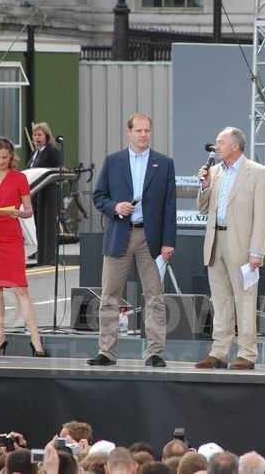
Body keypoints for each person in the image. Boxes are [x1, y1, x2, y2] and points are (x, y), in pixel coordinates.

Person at [87, 113, 176, 368]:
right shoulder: (113, 162)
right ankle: (107, 351)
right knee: (109, 296)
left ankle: (154, 352)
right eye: (138, 130)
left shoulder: (164, 163)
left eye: (147, 130)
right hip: (120, 234)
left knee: (155, 297)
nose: (143, 135)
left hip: (151, 238)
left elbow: (170, 205)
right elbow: (98, 197)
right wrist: (116, 207)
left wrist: (168, 242)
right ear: (129, 132)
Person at [195, 126, 265, 370]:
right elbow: (203, 208)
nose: (216, 146)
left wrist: (257, 252)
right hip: (216, 241)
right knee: (220, 301)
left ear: (235, 146)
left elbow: (263, 216)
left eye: (221, 142)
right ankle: (218, 352)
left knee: (245, 300)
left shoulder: (258, 173)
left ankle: (247, 354)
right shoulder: (215, 172)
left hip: (242, 245)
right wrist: (205, 186)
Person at [0, 137, 48, 357]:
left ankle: (36, 340)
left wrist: (18, 213)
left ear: (11, 157)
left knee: (19, 288)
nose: (2, 161)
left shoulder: (20, 178)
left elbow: (28, 209)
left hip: (10, 235)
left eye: (5, 157)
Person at [26, 122, 62, 261]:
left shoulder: (51, 151)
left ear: (47, 136)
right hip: (36, 194)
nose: (36, 138)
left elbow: (59, 168)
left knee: (47, 223)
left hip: (48, 193)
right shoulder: (35, 153)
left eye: (39, 135)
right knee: (38, 223)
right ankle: (40, 250)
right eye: (34, 135)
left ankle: (48, 252)